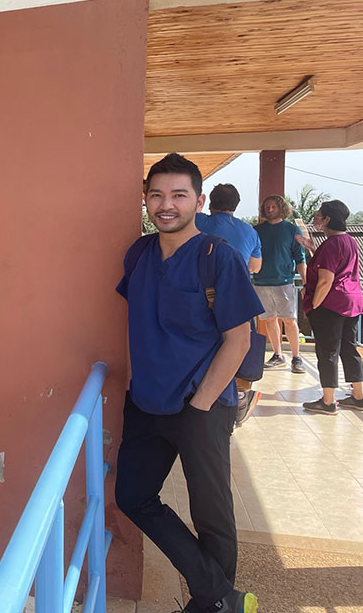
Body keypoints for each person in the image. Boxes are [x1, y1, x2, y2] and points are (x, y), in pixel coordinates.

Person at [116, 154, 262, 613]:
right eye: (156, 195)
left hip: (201, 404)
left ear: (198, 201)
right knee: (133, 495)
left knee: (211, 513)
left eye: (178, 195)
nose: (166, 205)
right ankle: (220, 596)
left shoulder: (219, 257)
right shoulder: (138, 253)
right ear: (145, 199)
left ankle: (211, 605)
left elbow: (239, 340)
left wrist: (199, 406)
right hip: (145, 402)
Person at [196, 184, 263, 426]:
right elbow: (256, 267)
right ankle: (240, 396)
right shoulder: (249, 231)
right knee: (239, 345)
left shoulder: (198, 221)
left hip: (203, 296)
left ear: (209, 203)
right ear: (236, 205)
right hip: (239, 296)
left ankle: (205, 400)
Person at [295, 200, 363, 414]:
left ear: (327, 219)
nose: (316, 218)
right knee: (349, 347)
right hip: (352, 301)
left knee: (327, 350)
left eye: (319, 215)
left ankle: (327, 401)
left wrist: (314, 305)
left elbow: (326, 279)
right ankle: (359, 395)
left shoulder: (331, 244)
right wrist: (312, 248)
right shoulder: (349, 241)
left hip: (331, 304)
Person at [253, 195, 307, 373]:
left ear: (281, 208)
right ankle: (278, 354)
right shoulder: (256, 230)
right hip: (261, 282)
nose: (269, 209)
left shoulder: (292, 230)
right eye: (267, 207)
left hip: (284, 282)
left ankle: (296, 357)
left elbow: (300, 258)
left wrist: (305, 282)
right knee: (269, 319)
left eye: (273, 207)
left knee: (290, 320)